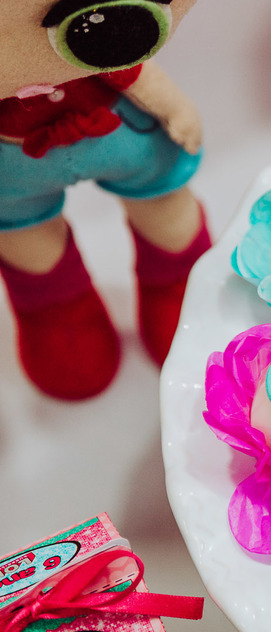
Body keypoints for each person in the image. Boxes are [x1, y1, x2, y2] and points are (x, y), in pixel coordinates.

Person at [0, 0, 208, 400]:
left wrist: (173, 108)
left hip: (117, 122)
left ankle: (179, 283)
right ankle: (58, 313)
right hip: (17, 165)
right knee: (29, 246)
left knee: (167, 215)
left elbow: (134, 70)